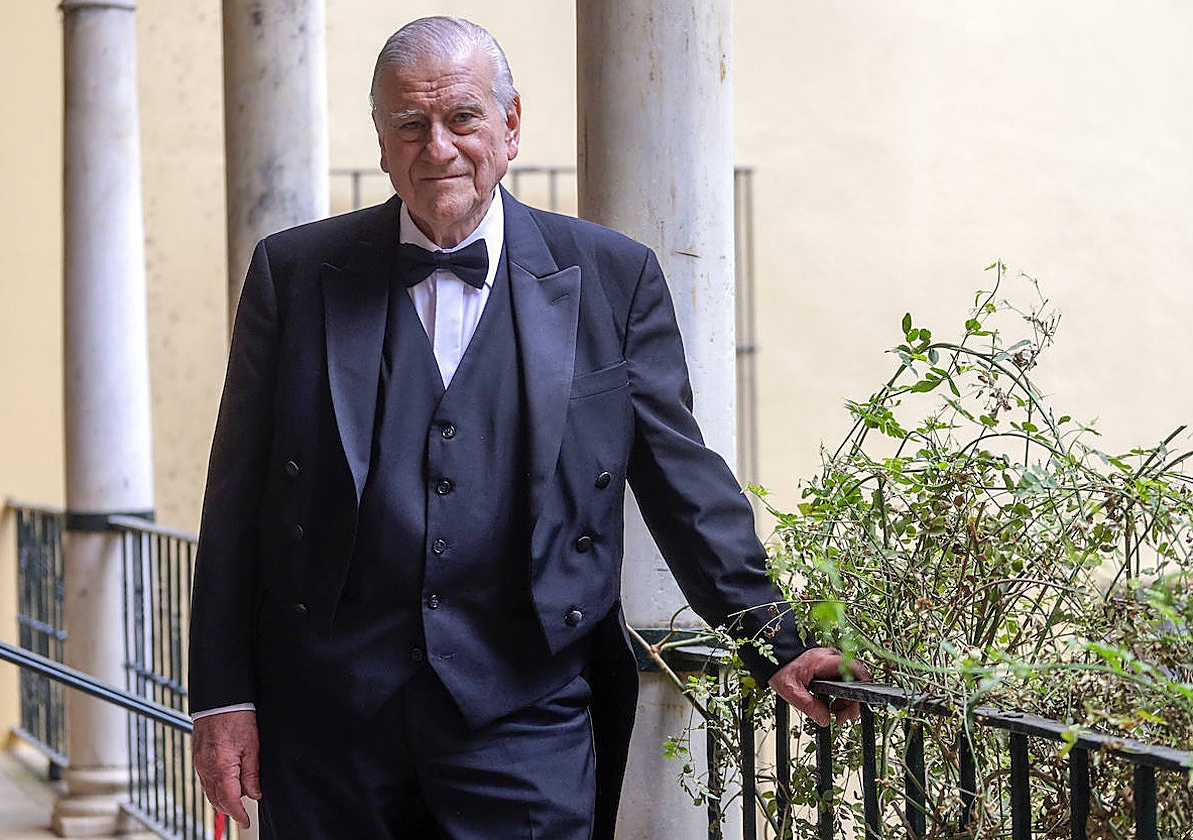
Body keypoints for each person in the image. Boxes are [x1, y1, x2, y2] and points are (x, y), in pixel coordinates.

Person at [189, 15, 869, 840]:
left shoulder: (613, 279)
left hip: (524, 713)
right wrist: (224, 696)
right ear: (380, 140)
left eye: (463, 118)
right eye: (410, 123)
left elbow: (680, 479)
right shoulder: (293, 273)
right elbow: (234, 501)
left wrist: (774, 639)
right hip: (330, 720)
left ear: (511, 127)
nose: (437, 146)